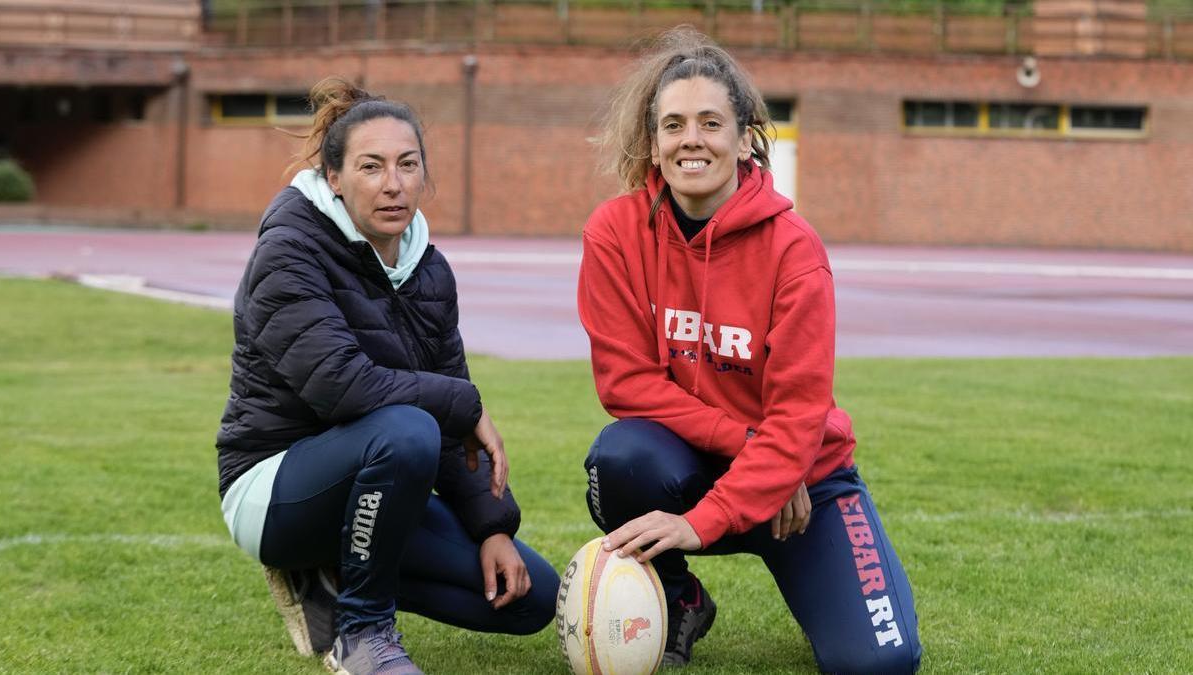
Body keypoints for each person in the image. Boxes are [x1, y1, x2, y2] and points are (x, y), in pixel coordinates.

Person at [577, 29, 922, 674]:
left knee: (880, 665)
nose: (692, 140)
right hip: (692, 465)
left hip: (806, 484)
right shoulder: (615, 232)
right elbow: (625, 382)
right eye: (674, 124)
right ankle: (680, 600)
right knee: (622, 459)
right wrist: (743, 452)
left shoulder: (794, 250)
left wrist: (723, 509)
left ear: (744, 137)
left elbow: (799, 421)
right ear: (653, 142)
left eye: (712, 123)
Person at [216, 76, 559, 675]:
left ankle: (329, 580)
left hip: (371, 479)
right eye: (371, 167)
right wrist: (464, 403)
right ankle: (361, 633)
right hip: (273, 486)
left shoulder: (429, 269)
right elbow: (342, 385)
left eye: (407, 165)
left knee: (530, 598)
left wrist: (492, 527)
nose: (393, 184)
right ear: (335, 178)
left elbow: (448, 420)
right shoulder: (290, 250)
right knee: (407, 431)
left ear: (426, 174)